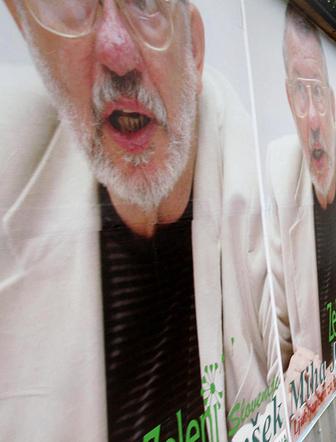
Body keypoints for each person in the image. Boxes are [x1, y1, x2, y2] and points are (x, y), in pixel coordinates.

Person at [0, 0, 279, 440]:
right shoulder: (10, 166)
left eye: (145, 3)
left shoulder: (257, 177)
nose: (117, 51)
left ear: (195, 49)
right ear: (24, 27)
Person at [264, 4, 336, 421]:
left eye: (318, 90)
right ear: (288, 98)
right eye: (299, 91)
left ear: (333, 100)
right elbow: (276, 313)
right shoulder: (277, 170)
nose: (311, 116)